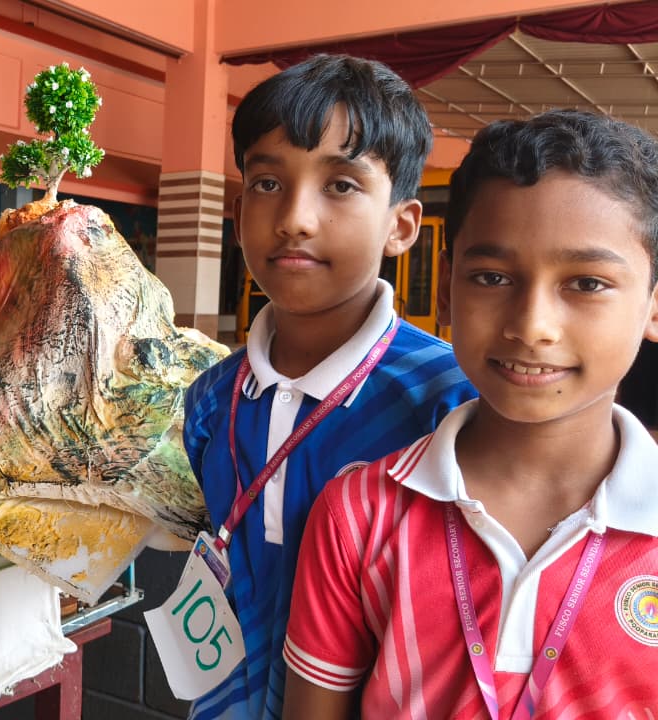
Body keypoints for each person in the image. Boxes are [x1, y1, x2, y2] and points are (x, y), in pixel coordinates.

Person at [283, 109, 658, 718]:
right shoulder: (359, 513)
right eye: (492, 277)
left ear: (652, 304)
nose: (532, 325)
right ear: (446, 291)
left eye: (587, 283)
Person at [182, 54, 477, 720]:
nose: (295, 218)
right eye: (267, 182)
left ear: (401, 225)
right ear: (238, 213)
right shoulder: (210, 399)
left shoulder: (450, 405)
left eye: (341, 184)